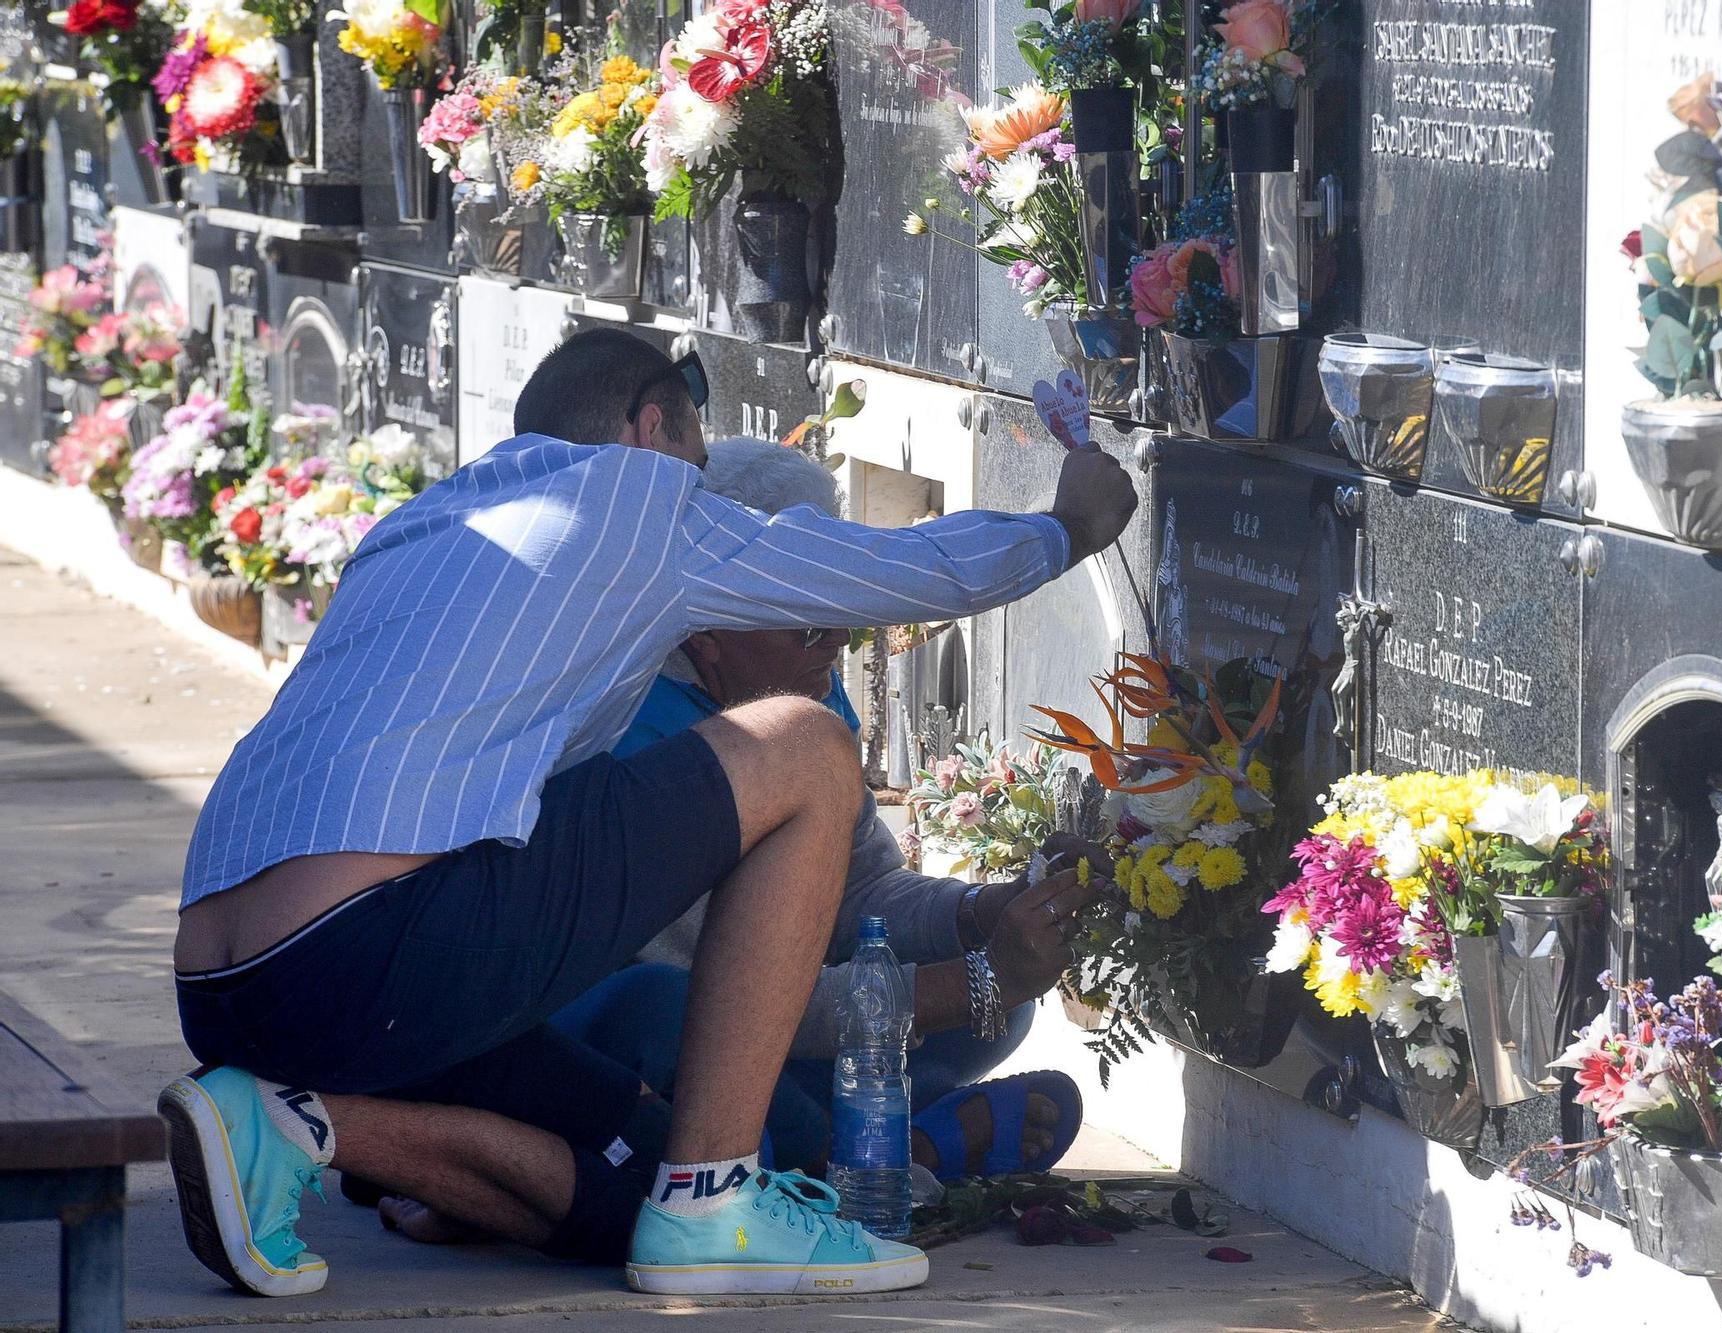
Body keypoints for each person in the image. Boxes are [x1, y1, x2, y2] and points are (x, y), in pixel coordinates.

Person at [159, 327, 1137, 1299]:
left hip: (227, 992)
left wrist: (977, 924)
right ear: (651, 424)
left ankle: (292, 1124)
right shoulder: (639, 496)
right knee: (802, 746)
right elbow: (899, 571)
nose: (701, 495)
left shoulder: (423, 520)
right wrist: (1066, 527)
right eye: (699, 466)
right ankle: (714, 1202)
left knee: (639, 1182)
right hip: (368, 948)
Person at [360, 440, 1102, 1254]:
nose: (835, 649)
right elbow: (736, 998)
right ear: (711, 624)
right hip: (619, 1029)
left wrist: (985, 913)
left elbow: (865, 898)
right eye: (812, 621)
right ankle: (894, 1153)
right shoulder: (634, 734)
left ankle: (844, 1147)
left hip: (762, 1028)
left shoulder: (798, 685)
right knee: (696, 1041)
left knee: (997, 1009)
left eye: (846, 624)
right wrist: (975, 981)